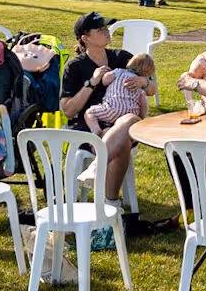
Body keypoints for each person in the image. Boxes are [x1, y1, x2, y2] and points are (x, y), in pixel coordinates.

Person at [61, 11, 159, 220]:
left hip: (121, 121)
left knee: (129, 121)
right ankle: (111, 205)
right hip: (90, 126)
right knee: (122, 138)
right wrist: (92, 83)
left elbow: (152, 90)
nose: (107, 31)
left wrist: (144, 83)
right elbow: (69, 110)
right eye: (100, 29)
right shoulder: (75, 66)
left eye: (107, 27)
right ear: (85, 39)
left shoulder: (121, 58)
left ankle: (98, 170)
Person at [83, 52, 156, 133]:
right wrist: (141, 117)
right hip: (131, 113)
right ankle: (109, 132)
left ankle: (96, 130)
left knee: (89, 113)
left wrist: (105, 76)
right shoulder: (140, 84)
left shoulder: (119, 72)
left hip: (113, 109)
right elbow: (143, 105)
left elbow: (105, 80)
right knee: (118, 128)